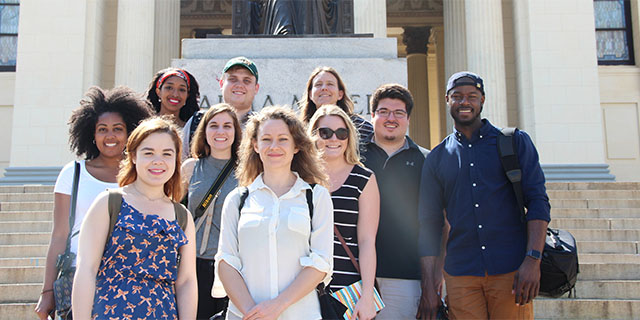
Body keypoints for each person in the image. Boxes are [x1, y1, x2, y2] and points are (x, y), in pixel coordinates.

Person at [418, 71, 551, 319]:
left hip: (511, 270)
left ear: (482, 100)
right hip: (460, 274)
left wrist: (533, 260)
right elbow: (429, 224)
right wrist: (428, 284)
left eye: (472, 96)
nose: (464, 102)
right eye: (457, 96)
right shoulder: (436, 158)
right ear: (447, 100)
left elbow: (538, 202)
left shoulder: (515, 142)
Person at [34, 86, 153, 320]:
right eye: (102, 129)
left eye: (118, 129)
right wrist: (47, 290)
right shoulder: (73, 173)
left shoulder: (144, 175)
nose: (110, 136)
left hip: (131, 282)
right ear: (92, 133)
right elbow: (59, 235)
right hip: (80, 281)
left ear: (131, 132)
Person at [71, 117, 198, 319]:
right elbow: (86, 270)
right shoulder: (109, 203)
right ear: (133, 156)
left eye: (167, 154)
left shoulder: (182, 216)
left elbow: (187, 281)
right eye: (149, 153)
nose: (158, 161)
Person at [215, 106, 333, 319]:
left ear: (296, 146)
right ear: (255, 145)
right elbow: (226, 262)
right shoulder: (237, 200)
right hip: (244, 315)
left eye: (283, 139)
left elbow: (321, 262)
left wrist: (278, 306)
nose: (274, 146)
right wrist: (254, 313)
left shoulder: (316, 197)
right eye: (266, 139)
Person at [359, 83, 429, 319]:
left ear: (408, 118)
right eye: (384, 112)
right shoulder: (354, 157)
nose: (391, 118)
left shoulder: (425, 160)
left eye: (399, 113)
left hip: (404, 277)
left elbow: (435, 223)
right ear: (372, 116)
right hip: (353, 274)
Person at [307, 105, 380, 320]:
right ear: (314, 135)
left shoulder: (364, 178)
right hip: (304, 289)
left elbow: (367, 241)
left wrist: (367, 295)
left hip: (347, 290)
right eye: (325, 132)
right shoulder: (301, 179)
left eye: (341, 132)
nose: (334, 139)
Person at [181, 103, 242, 319]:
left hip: (227, 265)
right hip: (191, 264)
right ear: (204, 131)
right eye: (214, 125)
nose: (220, 132)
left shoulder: (247, 172)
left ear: (236, 132)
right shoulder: (190, 168)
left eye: (227, 126)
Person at [182, 56, 259, 158]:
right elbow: (180, 163)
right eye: (233, 79)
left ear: (256, 88)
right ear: (221, 83)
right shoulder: (197, 122)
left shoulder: (262, 126)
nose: (239, 85)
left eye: (247, 80)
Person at [299, 66, 373, 143]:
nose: (324, 88)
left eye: (330, 84)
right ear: (310, 95)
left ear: (340, 94)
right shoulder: (300, 131)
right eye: (318, 84)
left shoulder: (362, 127)